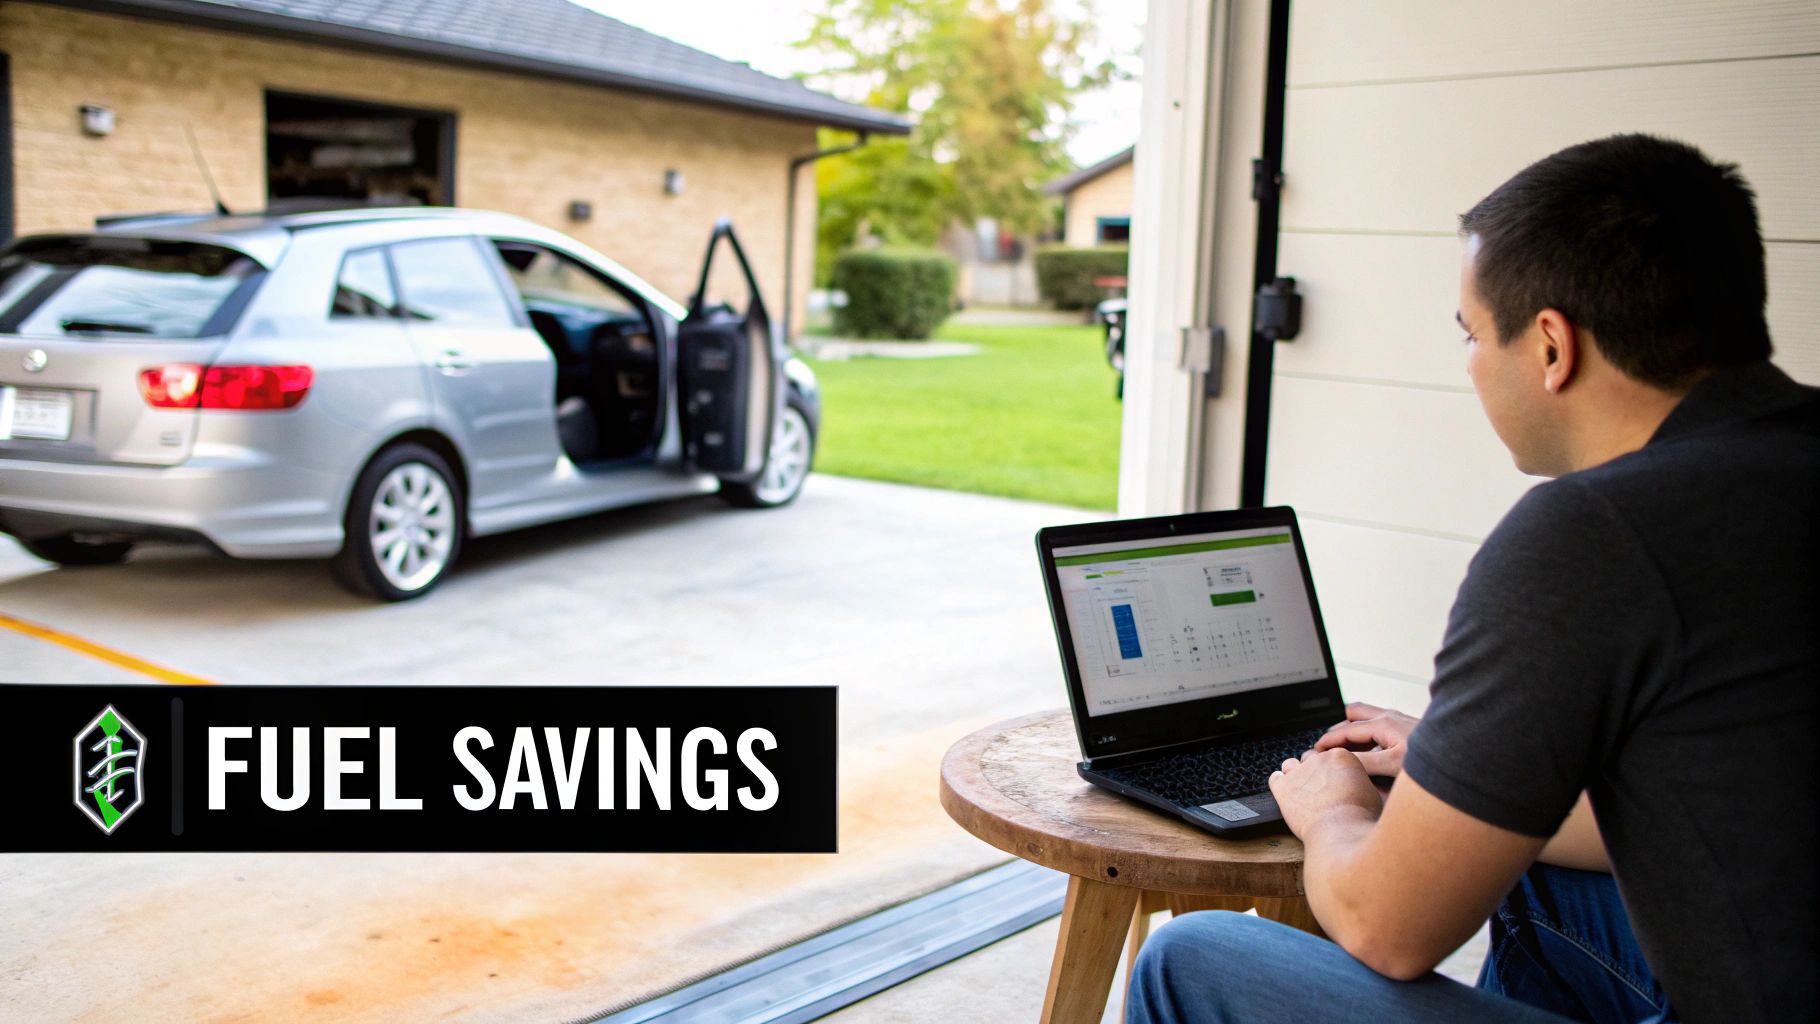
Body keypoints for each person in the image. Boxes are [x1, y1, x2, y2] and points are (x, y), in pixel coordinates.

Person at [1127, 133, 1818, 1024]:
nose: (1470, 365)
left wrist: (1335, 813)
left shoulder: (1592, 536)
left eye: (1472, 335)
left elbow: (1387, 927)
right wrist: (1462, 770)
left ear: (1550, 346)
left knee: (1190, 959)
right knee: (1527, 867)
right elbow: (1742, 810)